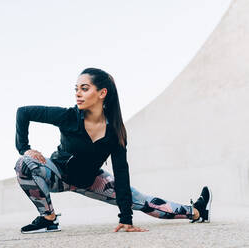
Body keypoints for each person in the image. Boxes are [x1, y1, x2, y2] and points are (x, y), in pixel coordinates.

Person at [14, 67, 212, 234]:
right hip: (56, 173)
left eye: (84, 88)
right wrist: (25, 148)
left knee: (145, 202)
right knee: (24, 163)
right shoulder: (67, 116)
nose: (77, 93)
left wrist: (126, 218)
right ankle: (48, 217)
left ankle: (196, 211)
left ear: (102, 93)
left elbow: (121, 173)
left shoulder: (114, 132)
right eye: (76, 89)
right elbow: (23, 112)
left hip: (91, 180)